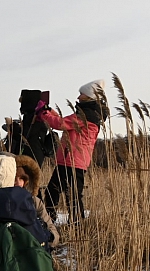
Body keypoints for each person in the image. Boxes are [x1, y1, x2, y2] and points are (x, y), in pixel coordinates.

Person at [39, 80, 107, 224]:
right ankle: (58, 221)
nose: (78, 97)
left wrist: (43, 113)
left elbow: (60, 124)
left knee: (68, 195)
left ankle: (63, 222)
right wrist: (48, 111)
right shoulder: (87, 114)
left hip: (73, 161)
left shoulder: (86, 116)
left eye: (81, 94)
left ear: (90, 97)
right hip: (70, 161)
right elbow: (64, 121)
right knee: (59, 193)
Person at [2, 90, 57, 168]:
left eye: (22, 102)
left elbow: (26, 136)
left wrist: (12, 125)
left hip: (32, 155)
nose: (21, 105)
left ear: (28, 102)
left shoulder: (38, 117)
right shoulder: (33, 115)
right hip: (32, 153)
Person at [14, 154, 59, 247]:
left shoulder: (34, 202)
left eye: (22, 178)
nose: (18, 183)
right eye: (14, 178)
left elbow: (54, 235)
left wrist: (44, 232)